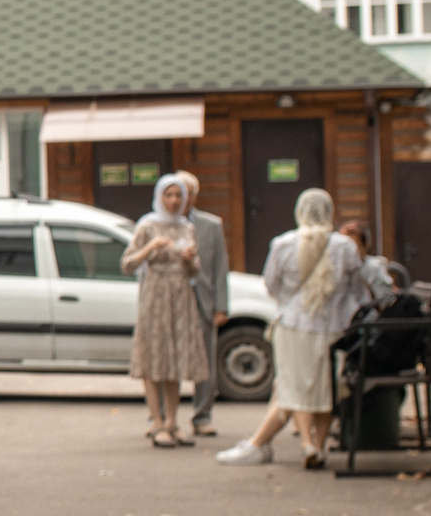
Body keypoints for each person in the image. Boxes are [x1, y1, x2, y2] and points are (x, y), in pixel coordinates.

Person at [216, 187, 364, 469]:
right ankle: (318, 446)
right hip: (333, 328)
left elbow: (271, 284)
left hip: (293, 326)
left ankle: (304, 442)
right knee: (324, 389)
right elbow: (356, 290)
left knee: (293, 387)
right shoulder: (344, 247)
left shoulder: (283, 244)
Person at [123, 173, 212, 447]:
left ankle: (173, 422)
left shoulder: (187, 227)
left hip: (180, 295)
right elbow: (127, 264)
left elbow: (196, 270)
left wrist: (189, 259)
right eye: (169, 195)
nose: (174, 201)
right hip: (155, 295)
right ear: (160, 197)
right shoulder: (147, 226)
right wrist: (150, 248)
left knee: (175, 359)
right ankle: (157, 422)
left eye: (178, 196)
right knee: (154, 358)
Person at [172, 171, 230, 439]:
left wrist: (221, 306)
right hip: (170, 302)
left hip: (203, 302)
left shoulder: (211, 225)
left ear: (194, 196)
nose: (180, 198)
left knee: (205, 360)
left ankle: (202, 416)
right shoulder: (159, 225)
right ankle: (163, 417)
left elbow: (220, 268)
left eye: (186, 192)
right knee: (168, 360)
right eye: (175, 192)